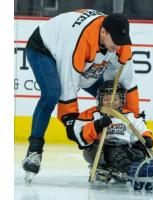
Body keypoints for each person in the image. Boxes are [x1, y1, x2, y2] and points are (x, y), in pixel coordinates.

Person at [22, 9, 140, 181]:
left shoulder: (119, 42)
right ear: (103, 32)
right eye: (115, 41)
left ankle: (112, 151)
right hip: (44, 47)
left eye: (122, 42)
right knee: (52, 93)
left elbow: (127, 82)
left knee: (110, 98)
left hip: (79, 56)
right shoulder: (80, 41)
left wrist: (133, 117)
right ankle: (34, 151)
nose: (119, 46)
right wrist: (70, 119)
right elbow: (69, 79)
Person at [73, 80, 153, 190]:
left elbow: (141, 128)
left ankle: (148, 171)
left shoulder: (128, 115)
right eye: (106, 99)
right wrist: (98, 125)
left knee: (138, 154)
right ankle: (133, 173)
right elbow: (80, 135)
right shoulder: (93, 114)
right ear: (100, 99)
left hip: (125, 146)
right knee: (119, 155)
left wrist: (147, 138)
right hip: (101, 149)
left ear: (122, 100)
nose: (111, 102)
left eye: (115, 99)